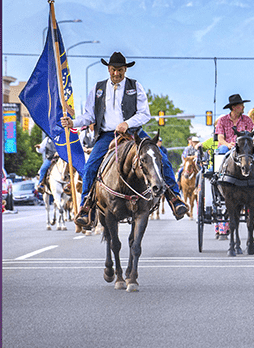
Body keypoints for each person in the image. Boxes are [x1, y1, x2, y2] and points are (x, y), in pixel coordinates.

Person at [60, 52, 188, 227]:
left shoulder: (135, 87)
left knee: (160, 159)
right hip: (107, 135)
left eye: (120, 70)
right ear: (108, 69)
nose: (116, 74)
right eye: (113, 70)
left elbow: (144, 114)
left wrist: (127, 123)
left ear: (125, 69)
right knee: (90, 167)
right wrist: (72, 122)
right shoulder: (98, 89)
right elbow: (89, 116)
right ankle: (86, 207)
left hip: (133, 133)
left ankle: (174, 198)